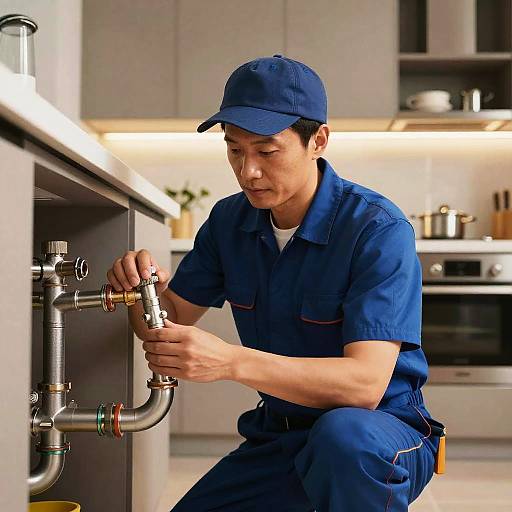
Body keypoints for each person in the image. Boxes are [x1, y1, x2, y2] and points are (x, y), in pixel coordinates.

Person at [108, 54, 446, 512]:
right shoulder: (228, 221)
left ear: (318, 141)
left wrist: (229, 361)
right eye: (234, 149)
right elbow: (163, 324)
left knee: (343, 438)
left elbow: (364, 386)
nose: (248, 170)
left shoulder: (377, 229)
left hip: (380, 430)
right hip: (280, 434)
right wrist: (138, 290)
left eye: (266, 151)